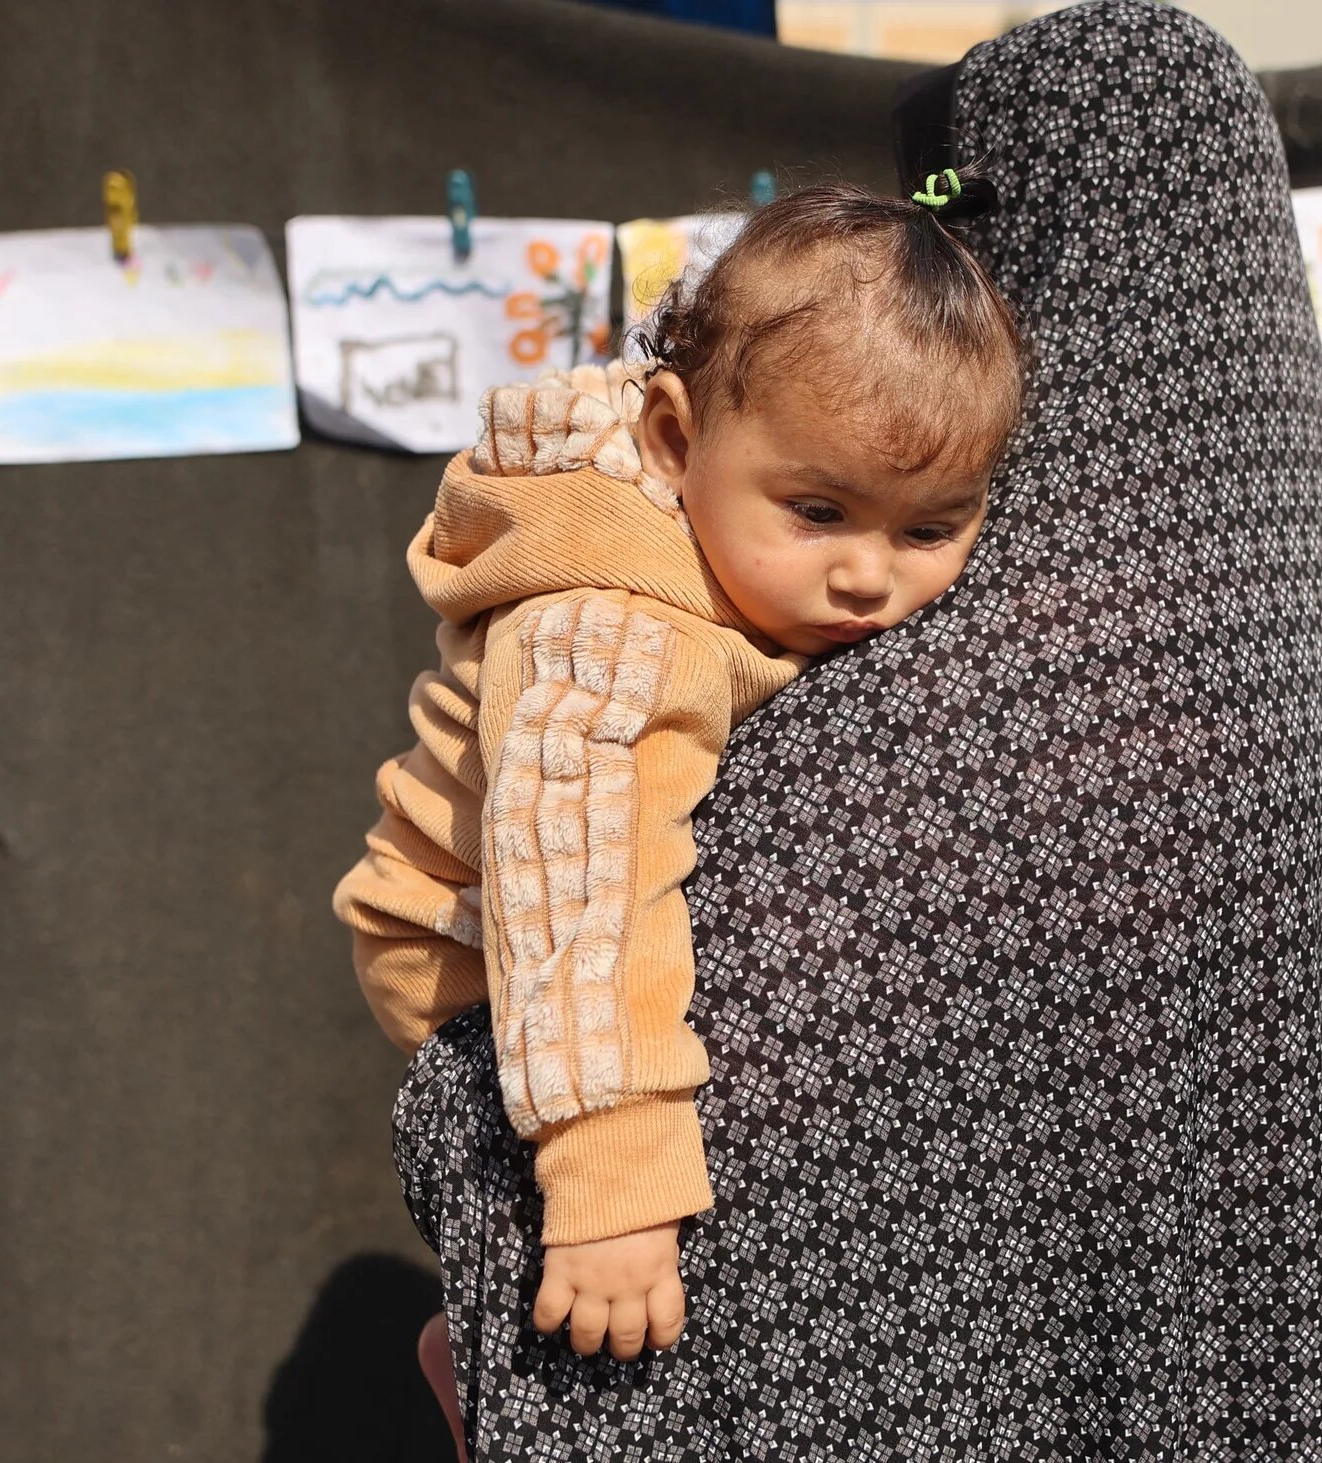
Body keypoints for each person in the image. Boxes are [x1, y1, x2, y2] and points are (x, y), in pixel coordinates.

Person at [329, 176, 1025, 1435]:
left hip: (554, 920)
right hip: (472, 944)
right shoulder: (609, 634)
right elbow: (571, 885)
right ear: (668, 438)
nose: (866, 576)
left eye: (931, 529)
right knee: (608, 1272)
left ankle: (472, 1341)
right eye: (816, 512)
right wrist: (613, 1175)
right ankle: (493, 1367)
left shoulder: (748, 534)